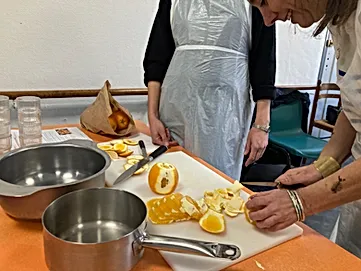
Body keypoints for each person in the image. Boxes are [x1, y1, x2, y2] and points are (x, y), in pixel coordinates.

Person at [246, 0, 361, 258]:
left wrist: (302, 202)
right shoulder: (339, 19)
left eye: (264, 2)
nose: (267, 19)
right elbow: (355, 108)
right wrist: (323, 167)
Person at [143, 0, 276, 180]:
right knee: (172, 176)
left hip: (226, 114)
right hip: (175, 108)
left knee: (217, 183)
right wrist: (153, 115)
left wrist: (262, 125)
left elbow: (264, 61)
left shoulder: (254, 1)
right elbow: (156, 58)